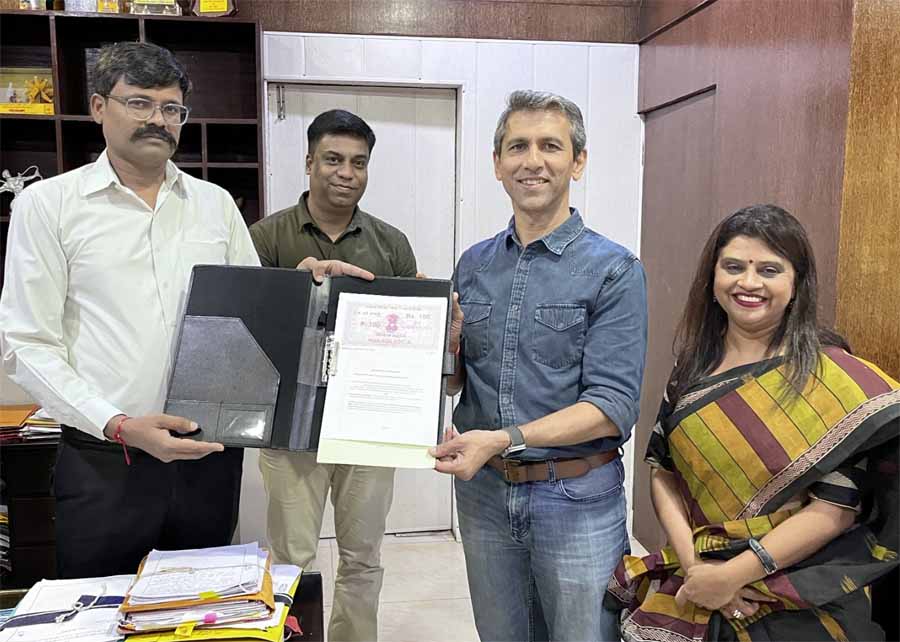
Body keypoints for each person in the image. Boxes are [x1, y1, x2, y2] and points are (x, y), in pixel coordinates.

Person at [0, 42, 260, 578]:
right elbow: (27, 343)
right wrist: (118, 424)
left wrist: (310, 289)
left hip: (206, 457)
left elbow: (252, 318)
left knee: (201, 607)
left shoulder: (215, 205)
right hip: (105, 460)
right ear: (99, 107)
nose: (157, 120)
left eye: (171, 108)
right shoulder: (48, 205)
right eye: (139, 103)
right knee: (101, 608)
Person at [605, 204, 900, 641]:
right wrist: (697, 571)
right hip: (696, 577)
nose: (748, 282)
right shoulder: (692, 368)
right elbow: (663, 471)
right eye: (734, 267)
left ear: (796, 284)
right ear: (712, 278)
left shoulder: (831, 377)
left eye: (769, 270)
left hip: (797, 594)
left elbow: (835, 511)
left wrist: (734, 575)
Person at [430, 90, 648, 641]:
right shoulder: (473, 264)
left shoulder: (615, 270)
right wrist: (445, 351)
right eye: (517, 146)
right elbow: (458, 383)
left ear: (578, 161)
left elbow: (611, 407)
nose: (533, 160)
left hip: (575, 499)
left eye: (550, 146)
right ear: (497, 164)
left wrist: (502, 439)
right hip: (485, 497)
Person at [248, 109, 417, 642]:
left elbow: (409, 340)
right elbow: (247, 332)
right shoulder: (265, 237)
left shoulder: (391, 243)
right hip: (291, 425)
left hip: (368, 424)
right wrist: (296, 290)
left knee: (363, 558)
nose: (346, 173)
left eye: (358, 163)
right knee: (292, 559)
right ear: (308, 162)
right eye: (333, 159)